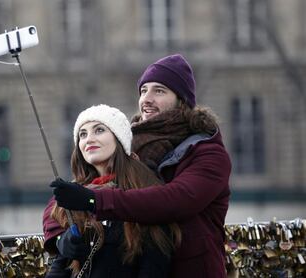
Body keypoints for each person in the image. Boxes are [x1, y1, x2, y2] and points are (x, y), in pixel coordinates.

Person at [50, 54, 232, 277]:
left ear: (182, 99)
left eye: (159, 91)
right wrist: (60, 238)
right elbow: (64, 199)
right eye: (143, 90)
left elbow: (175, 200)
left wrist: (92, 200)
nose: (147, 98)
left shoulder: (208, 152)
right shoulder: (129, 147)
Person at [44, 104, 181, 278]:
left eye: (99, 130)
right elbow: (59, 269)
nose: (89, 139)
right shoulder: (75, 197)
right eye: (82, 134)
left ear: (119, 139)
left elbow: (155, 265)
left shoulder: (146, 193)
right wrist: (62, 242)